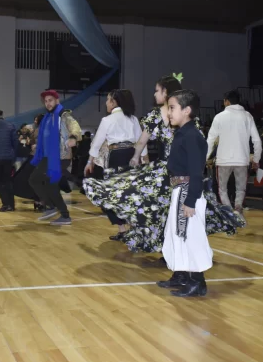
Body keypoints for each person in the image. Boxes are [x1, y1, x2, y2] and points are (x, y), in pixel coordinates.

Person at [83, 74, 243, 254]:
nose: (154, 94)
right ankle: (170, 249)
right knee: (162, 210)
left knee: (172, 211)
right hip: (166, 171)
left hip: (178, 172)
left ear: (165, 92)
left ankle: (184, 254)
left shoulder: (181, 118)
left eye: (157, 90)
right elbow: (142, 140)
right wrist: (136, 157)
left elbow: (146, 141)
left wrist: (137, 156)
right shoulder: (157, 115)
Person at [157, 90, 212, 297]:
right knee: (176, 234)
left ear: (187, 110)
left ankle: (198, 282)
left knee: (190, 236)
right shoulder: (183, 133)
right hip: (180, 190)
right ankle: (180, 275)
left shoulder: (192, 136)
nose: (169, 112)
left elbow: (196, 171)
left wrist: (190, 200)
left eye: (172, 108)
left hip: (188, 192)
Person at [83, 89, 145, 240]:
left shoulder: (107, 120)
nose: (106, 102)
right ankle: (134, 229)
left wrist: (89, 162)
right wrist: (144, 159)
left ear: (114, 102)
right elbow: (141, 142)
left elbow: (96, 143)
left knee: (111, 193)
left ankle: (123, 229)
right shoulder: (133, 119)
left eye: (108, 99)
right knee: (130, 192)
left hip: (116, 157)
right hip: (131, 156)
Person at [29, 90, 82, 226]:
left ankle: (64, 215)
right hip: (48, 157)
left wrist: (73, 137)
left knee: (51, 184)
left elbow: (74, 126)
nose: (48, 103)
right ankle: (51, 207)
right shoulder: (47, 118)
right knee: (35, 180)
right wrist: (38, 147)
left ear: (57, 101)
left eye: (50, 100)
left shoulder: (63, 115)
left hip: (61, 156)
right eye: (46, 101)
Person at [206, 90, 261, 214]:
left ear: (226, 101)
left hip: (223, 160)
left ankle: (228, 212)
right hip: (242, 160)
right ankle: (237, 207)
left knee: (222, 190)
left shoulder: (219, 117)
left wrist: (204, 157)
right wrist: (256, 159)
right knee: (240, 189)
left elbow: (210, 140)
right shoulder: (248, 116)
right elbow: (257, 140)